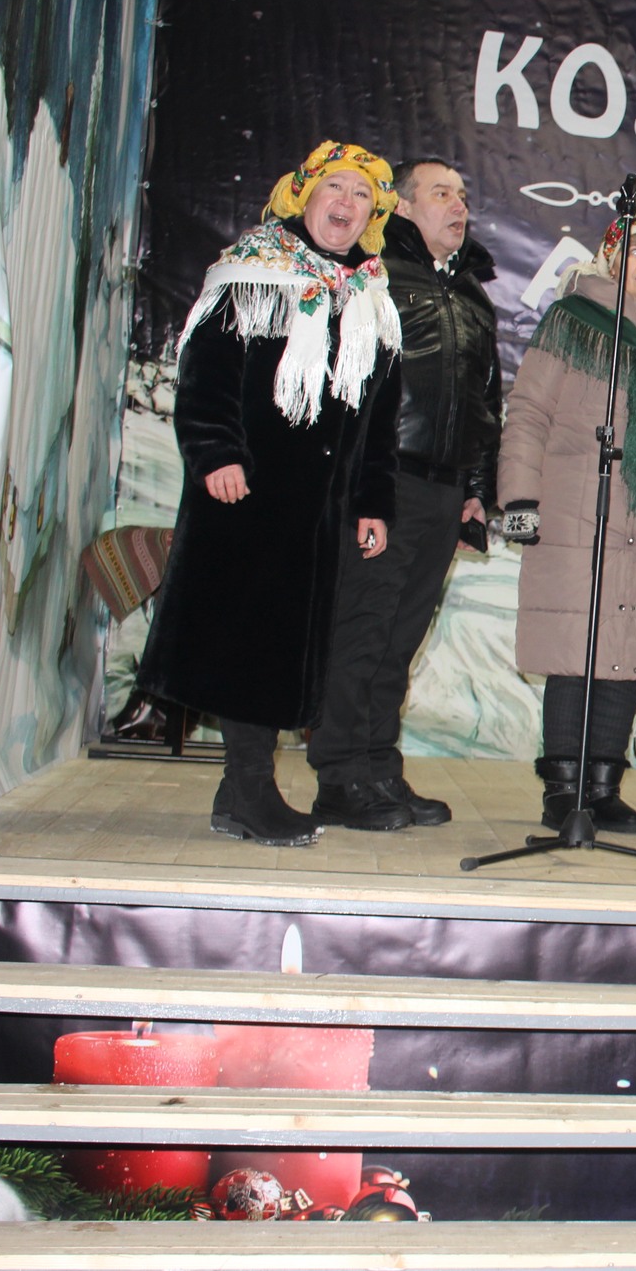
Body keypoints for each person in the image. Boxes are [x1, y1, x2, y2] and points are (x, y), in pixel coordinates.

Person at [138, 140, 403, 846]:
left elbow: (377, 418)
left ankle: (241, 791)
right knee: (244, 644)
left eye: (362, 195)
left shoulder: (370, 298)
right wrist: (216, 454)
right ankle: (249, 788)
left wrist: (372, 501)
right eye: (335, 187)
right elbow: (205, 374)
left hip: (316, 509)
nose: (347, 203)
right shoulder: (253, 271)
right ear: (303, 193)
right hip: (247, 492)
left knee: (283, 647)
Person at [496, 210, 636, 834]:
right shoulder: (571, 320)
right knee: (575, 643)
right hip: (574, 504)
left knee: (628, 645)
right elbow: (529, 411)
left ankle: (604, 788)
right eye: (635, 250)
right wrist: (520, 499)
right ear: (610, 259)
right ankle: (563, 790)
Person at [305, 156, 501, 832]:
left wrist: (477, 489)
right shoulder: (377, 275)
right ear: (405, 208)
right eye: (442, 193)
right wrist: (354, 480)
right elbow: (349, 383)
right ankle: (339, 776)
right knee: (362, 629)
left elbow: (485, 400)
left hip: (445, 492)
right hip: (384, 482)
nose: (459, 206)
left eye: (463, 195)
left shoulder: (473, 295)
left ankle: (378, 767)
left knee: (401, 640)